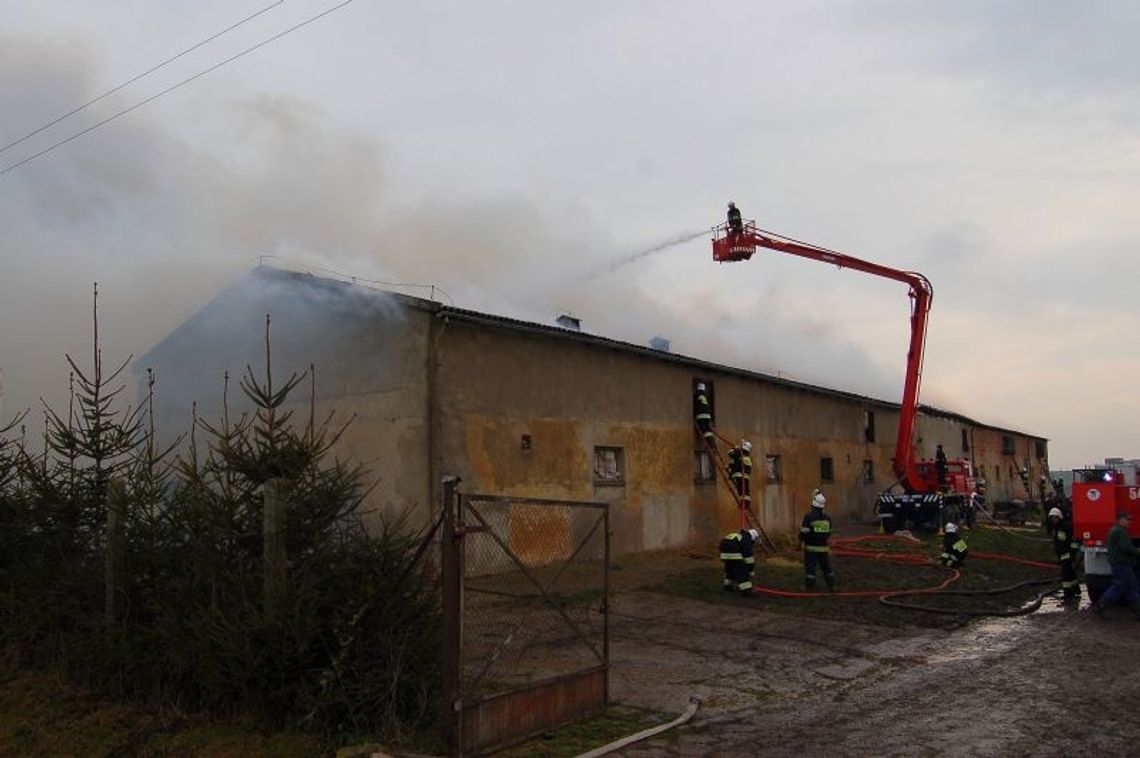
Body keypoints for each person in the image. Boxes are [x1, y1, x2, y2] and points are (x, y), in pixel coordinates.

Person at [1092, 512, 1140, 619]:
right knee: (1119, 586)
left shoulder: (1114, 530)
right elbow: (1126, 548)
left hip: (1119, 563)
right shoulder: (1120, 531)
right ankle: (1101, 605)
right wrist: (1137, 551)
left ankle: (1137, 610)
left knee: (1131, 587)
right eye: (1127, 520)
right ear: (1120, 520)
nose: (1129, 522)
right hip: (1122, 563)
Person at [799, 490, 835, 591]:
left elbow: (804, 532)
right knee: (826, 567)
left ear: (813, 504)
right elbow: (829, 532)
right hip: (823, 548)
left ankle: (809, 587)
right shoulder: (827, 518)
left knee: (810, 568)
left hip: (811, 548)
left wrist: (800, 541)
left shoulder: (809, 517)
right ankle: (831, 585)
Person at [1047, 506, 1080, 602]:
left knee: (1065, 576)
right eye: (1052, 518)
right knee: (1070, 573)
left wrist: (1073, 553)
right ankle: (1076, 590)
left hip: (1067, 554)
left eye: (1055, 518)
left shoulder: (1065, 526)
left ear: (1059, 517)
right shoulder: (1057, 527)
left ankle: (1068, 594)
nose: (1054, 520)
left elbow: (1074, 540)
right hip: (1062, 554)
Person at [720, 528, 758, 595]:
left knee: (730, 569)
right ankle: (746, 590)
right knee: (742, 571)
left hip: (724, 554)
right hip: (734, 554)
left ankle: (728, 585)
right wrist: (751, 570)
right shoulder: (747, 539)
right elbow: (748, 557)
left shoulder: (738, 535)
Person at [727, 439, 753, 512]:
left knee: (740, 489)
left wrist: (734, 448)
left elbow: (730, 454)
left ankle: (744, 503)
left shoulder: (739, 452)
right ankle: (745, 503)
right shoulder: (747, 456)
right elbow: (739, 464)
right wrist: (729, 466)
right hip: (746, 476)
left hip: (739, 474)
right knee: (745, 490)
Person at [693, 382, 715, 451]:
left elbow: (695, 405)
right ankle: (712, 442)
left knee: (704, 430)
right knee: (708, 430)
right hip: (707, 415)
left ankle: (709, 443)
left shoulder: (696, 394)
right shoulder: (705, 395)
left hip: (700, 415)